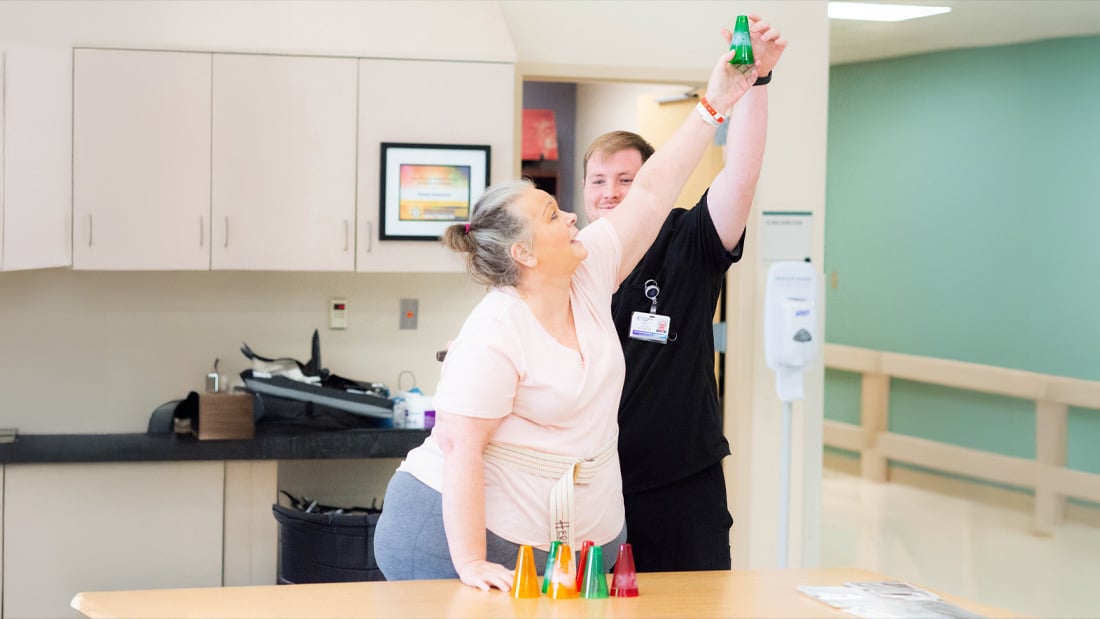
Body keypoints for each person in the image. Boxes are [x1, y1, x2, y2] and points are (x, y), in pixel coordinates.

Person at [373, 35, 764, 592]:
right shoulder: (496, 328)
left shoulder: (588, 274)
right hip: (452, 539)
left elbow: (652, 192)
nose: (576, 215)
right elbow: (461, 450)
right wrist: (471, 561)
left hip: (570, 540)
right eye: (554, 214)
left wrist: (715, 103)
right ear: (524, 253)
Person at [581, 15, 786, 572]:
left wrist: (756, 84)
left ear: (654, 179)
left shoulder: (687, 240)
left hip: (679, 483)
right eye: (598, 181)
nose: (610, 194)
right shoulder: (574, 257)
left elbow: (740, 176)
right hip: (589, 484)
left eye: (627, 179)